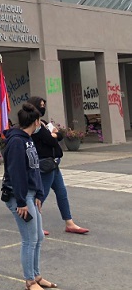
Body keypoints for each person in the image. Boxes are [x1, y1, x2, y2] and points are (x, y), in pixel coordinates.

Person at [3, 102, 58, 290]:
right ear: (36, 122)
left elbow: (33, 170)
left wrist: (39, 195)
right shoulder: (17, 142)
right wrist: (21, 202)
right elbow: (16, 173)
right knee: (29, 239)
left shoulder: (27, 139)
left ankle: (36, 275)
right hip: (20, 195)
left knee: (39, 237)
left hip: (31, 194)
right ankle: (29, 280)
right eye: (40, 122)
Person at [28, 96, 89, 236]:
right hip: (45, 164)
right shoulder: (35, 124)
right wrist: (53, 135)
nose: (43, 108)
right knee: (40, 195)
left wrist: (54, 134)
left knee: (62, 193)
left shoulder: (42, 122)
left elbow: (59, 135)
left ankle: (69, 223)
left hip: (54, 163)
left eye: (44, 105)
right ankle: (34, 225)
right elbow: (49, 139)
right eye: (41, 105)